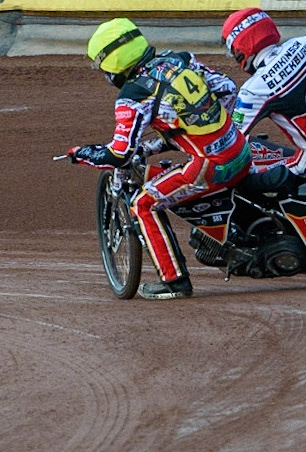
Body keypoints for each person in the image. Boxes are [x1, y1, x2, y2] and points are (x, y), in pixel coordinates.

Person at [68, 18, 251, 300]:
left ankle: (174, 280)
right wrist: (200, 129)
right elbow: (227, 88)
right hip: (240, 149)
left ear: (113, 62)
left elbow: (119, 154)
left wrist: (84, 154)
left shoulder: (134, 94)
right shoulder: (180, 60)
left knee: (143, 203)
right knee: (162, 173)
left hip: (210, 167)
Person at [221, 8, 306, 180]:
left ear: (242, 47)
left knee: (247, 185)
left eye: (235, 50)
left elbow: (232, 141)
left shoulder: (253, 89)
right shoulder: (305, 44)